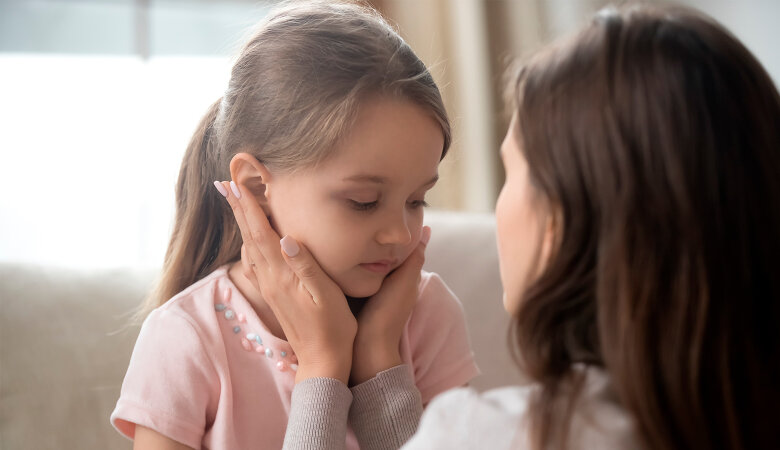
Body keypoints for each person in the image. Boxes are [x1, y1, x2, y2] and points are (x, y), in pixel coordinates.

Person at [226, 3, 780, 449]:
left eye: (512, 173)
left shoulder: (495, 435)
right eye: (365, 200)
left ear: (561, 220)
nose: (399, 232)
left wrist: (328, 368)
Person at [109, 2, 480, 449]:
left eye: (417, 200)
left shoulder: (424, 315)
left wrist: (380, 364)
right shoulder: (185, 339)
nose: (400, 234)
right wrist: (324, 368)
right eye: (363, 202)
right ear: (257, 186)